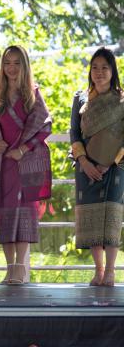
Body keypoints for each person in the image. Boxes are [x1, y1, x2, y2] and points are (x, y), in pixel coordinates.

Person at [0, 45, 52, 285]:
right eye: (7, 63)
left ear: (24, 65)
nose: (11, 68)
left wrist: (24, 149)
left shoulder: (33, 93)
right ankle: (9, 269)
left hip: (25, 163)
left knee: (24, 214)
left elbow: (45, 126)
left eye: (16, 63)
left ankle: (20, 268)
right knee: (5, 214)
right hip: (1, 164)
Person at [70, 47, 124, 287]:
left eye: (104, 68)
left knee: (111, 216)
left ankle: (111, 271)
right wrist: (84, 162)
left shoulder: (122, 100)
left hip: (115, 166)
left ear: (113, 71)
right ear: (89, 71)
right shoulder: (81, 99)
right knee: (91, 216)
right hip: (86, 168)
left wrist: (108, 162)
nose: (99, 72)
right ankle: (99, 270)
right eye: (95, 68)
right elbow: (74, 133)